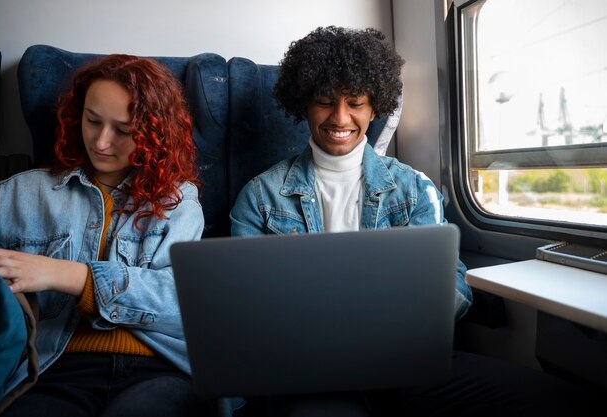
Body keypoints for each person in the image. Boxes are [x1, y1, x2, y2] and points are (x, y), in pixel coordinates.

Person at [230, 26, 600, 416]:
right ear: (304, 106)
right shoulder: (260, 196)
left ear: (374, 108)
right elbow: (243, 303)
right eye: (324, 102)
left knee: (557, 401)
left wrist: (417, 319)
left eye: (355, 102)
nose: (340, 117)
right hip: (308, 368)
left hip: (406, 359)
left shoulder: (412, 188)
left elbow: (454, 285)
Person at [0, 54, 213, 416]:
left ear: (155, 132)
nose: (102, 142)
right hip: (55, 369)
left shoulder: (178, 201)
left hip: (158, 371)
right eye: (92, 121)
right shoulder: (18, 194)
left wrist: (66, 275)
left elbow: (183, 303)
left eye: (122, 130)